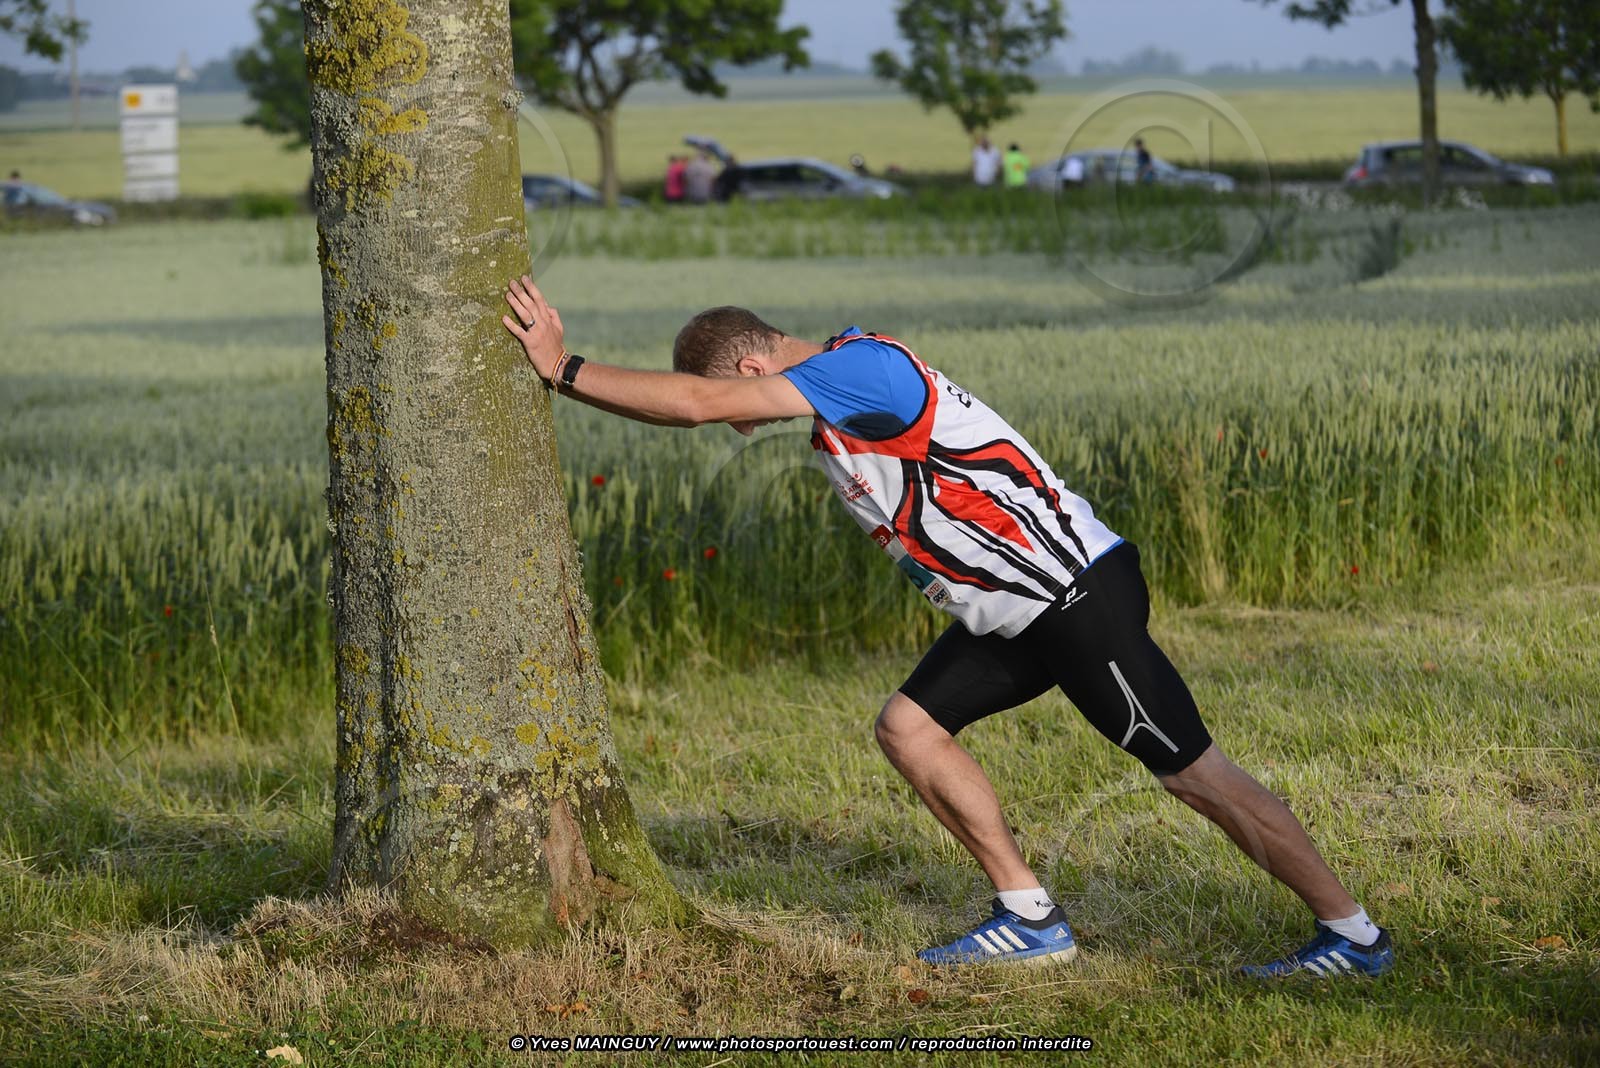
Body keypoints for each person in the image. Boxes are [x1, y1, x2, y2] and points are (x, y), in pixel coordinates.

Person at [498, 277, 1396, 979]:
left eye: (731, 402)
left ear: (750, 365)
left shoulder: (860, 371)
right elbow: (704, 408)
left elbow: (692, 406)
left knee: (1193, 773)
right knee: (909, 728)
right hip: (1016, 615)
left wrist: (560, 369)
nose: (734, 426)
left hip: (1072, 598)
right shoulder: (836, 398)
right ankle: (1030, 917)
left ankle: (1352, 935)